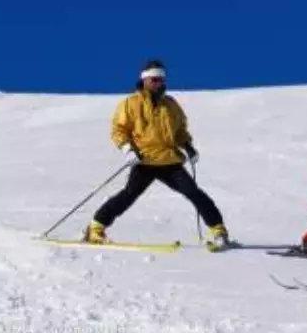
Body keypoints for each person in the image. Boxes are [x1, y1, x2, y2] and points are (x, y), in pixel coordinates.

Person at [83, 60, 230, 251]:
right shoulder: (130, 104)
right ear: (144, 80)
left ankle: (219, 232)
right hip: (144, 160)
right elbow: (119, 130)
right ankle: (96, 228)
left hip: (169, 161)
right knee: (129, 195)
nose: (159, 83)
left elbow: (180, 131)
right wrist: (128, 149)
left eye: (161, 79)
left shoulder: (170, 105)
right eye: (154, 79)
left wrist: (188, 146)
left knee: (193, 192)